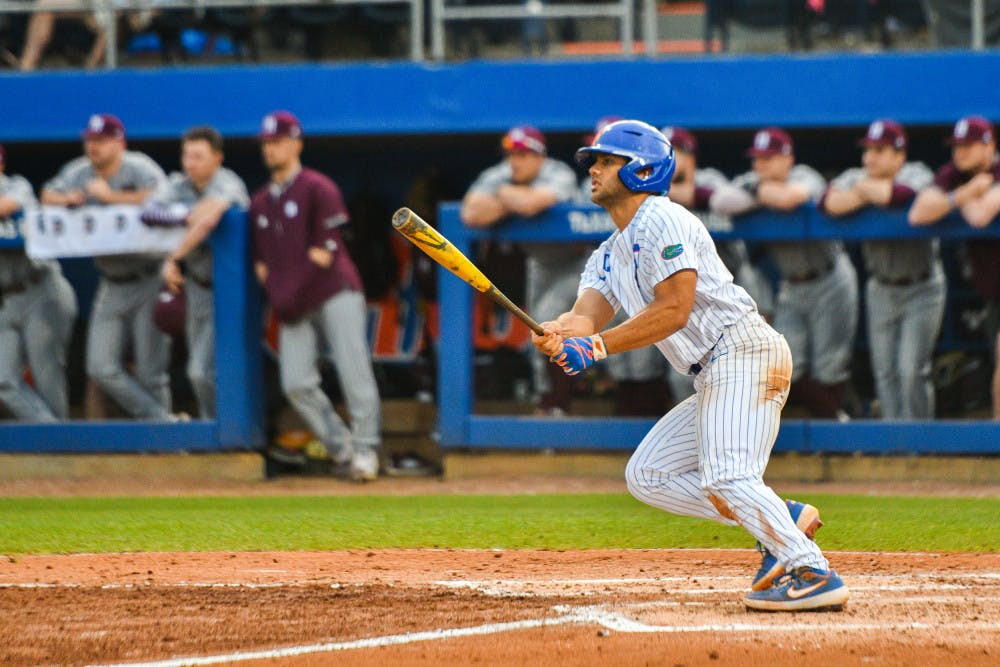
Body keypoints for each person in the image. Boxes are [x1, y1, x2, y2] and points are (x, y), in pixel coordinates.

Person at [532, 119, 848, 612]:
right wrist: (559, 331)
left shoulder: (663, 219)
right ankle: (780, 519)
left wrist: (594, 348)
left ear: (642, 171)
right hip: (714, 371)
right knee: (648, 474)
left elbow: (674, 309)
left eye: (607, 161)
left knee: (727, 476)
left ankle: (812, 570)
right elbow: (584, 317)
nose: (593, 169)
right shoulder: (609, 252)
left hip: (743, 351)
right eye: (594, 161)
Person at [250, 110, 381, 480]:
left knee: (353, 370)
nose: (271, 149)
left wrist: (285, 292)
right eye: (266, 143)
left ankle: (366, 449)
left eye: (278, 142)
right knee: (295, 382)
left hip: (333, 291)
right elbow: (261, 265)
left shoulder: (318, 187)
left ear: (296, 144)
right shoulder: (260, 202)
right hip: (294, 301)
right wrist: (280, 294)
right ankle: (343, 447)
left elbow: (324, 254)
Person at [712, 127, 858, 421]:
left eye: (768, 158)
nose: (760, 165)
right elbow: (720, 201)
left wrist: (756, 193)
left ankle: (838, 430)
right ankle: (838, 420)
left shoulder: (805, 175)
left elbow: (792, 197)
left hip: (830, 278)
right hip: (791, 285)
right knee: (782, 362)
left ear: (787, 159)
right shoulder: (752, 180)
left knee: (831, 365)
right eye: (757, 158)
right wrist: (763, 193)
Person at [41, 113, 172, 420]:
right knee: (100, 367)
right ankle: (162, 421)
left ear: (120, 143)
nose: (93, 147)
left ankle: (164, 437)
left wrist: (111, 196)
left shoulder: (139, 167)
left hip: (149, 277)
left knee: (151, 372)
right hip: (111, 282)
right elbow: (46, 194)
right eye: (90, 140)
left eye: (101, 141)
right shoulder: (79, 171)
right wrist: (67, 199)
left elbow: (165, 199)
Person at [823, 119, 941, 420]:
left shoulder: (917, 172)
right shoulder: (857, 175)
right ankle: (894, 439)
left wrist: (862, 192)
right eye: (868, 150)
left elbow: (901, 195)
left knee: (911, 370)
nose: (870, 158)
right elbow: (830, 203)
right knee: (885, 372)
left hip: (922, 286)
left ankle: (919, 441)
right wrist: (868, 191)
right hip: (880, 287)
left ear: (899, 155)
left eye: (879, 150)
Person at [461, 125, 580, 415]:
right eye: (511, 155)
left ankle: (559, 403)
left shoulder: (558, 172)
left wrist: (502, 197)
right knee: (535, 331)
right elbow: (470, 213)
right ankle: (546, 400)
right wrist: (515, 198)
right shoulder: (502, 174)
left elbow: (530, 205)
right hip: (539, 262)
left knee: (548, 321)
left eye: (524, 155)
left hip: (577, 261)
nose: (515, 162)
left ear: (540, 156)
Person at [142, 126, 251, 419]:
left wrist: (173, 257)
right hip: (198, 286)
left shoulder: (228, 183)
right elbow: (148, 213)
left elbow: (208, 221)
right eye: (187, 156)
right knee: (201, 372)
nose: (190, 163)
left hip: (234, 290)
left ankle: (226, 430)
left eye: (198, 157)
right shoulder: (179, 185)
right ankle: (212, 428)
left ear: (217, 158)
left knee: (207, 371)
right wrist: (187, 214)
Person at [909, 115, 1000, 420]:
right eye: (957, 146)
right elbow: (918, 214)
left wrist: (954, 199)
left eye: (968, 146)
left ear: (989, 146)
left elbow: (980, 216)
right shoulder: (957, 176)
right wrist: (966, 192)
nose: (960, 153)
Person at [0, 144, 78, 421]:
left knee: (47, 374)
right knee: (4, 380)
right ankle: (55, 434)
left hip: (42, 289)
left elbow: (6, 206)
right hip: (7, 299)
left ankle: (58, 439)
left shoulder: (17, 185)